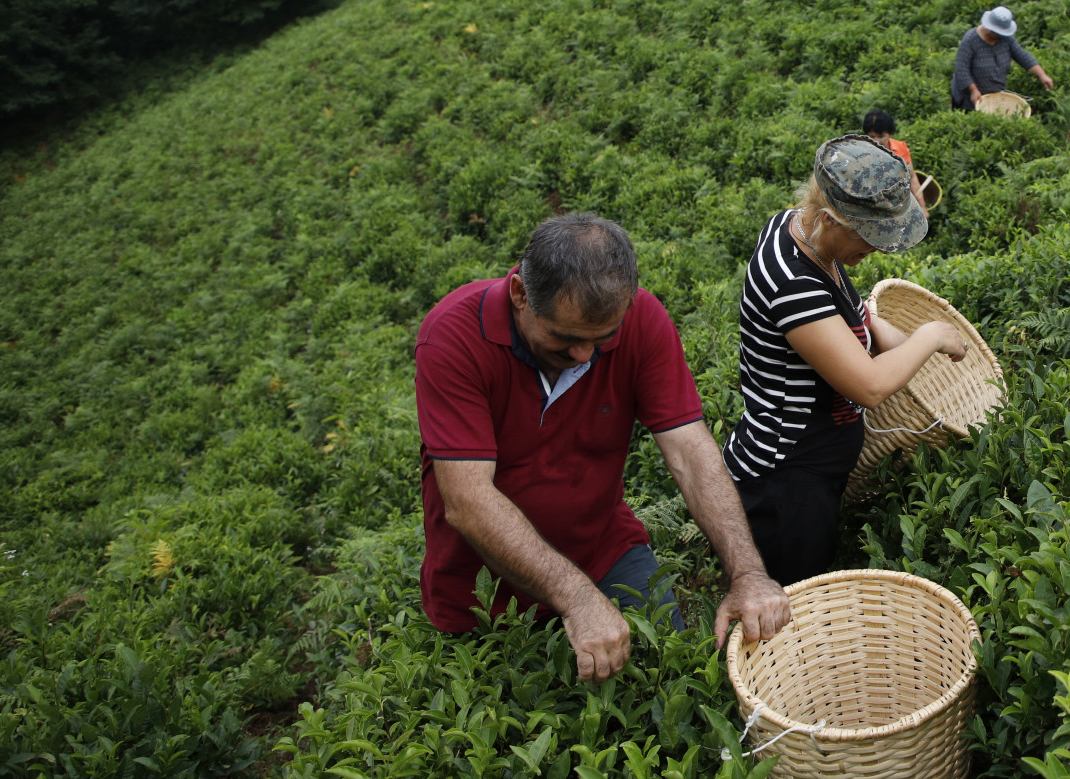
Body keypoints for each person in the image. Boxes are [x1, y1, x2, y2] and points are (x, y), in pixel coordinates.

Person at [414, 213, 791, 685]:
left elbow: (690, 453)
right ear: (520, 295)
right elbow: (468, 500)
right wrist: (577, 597)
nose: (584, 357)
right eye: (566, 338)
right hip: (482, 584)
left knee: (674, 681)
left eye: (602, 338)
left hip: (604, 550)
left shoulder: (642, 319)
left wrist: (748, 574)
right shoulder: (453, 335)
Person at [726, 135, 968, 584]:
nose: (875, 249)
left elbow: (858, 320)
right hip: (784, 481)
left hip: (814, 473)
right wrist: (930, 336)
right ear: (829, 219)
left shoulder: (806, 235)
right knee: (790, 598)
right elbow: (869, 386)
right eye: (869, 236)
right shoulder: (791, 282)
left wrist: (911, 347)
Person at [950, 6, 1055, 110]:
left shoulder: (1006, 39)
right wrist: (973, 90)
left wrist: (1042, 75)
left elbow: (1023, 56)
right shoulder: (970, 40)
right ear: (989, 27)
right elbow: (961, 69)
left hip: (995, 95)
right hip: (969, 97)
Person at [864, 108, 927, 210]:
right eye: (872, 136)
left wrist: (922, 207)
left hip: (901, 203)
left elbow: (912, 177)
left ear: (890, 134)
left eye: (881, 136)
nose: (876, 141)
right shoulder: (861, 153)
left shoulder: (900, 149)